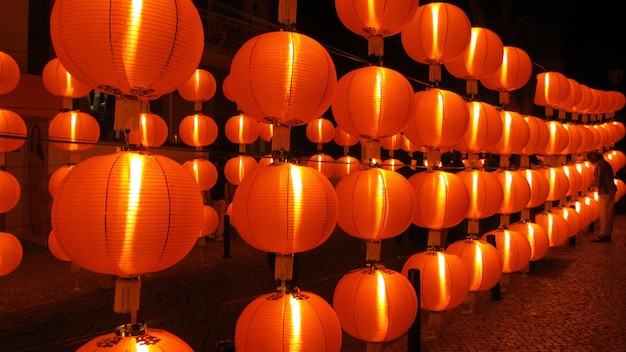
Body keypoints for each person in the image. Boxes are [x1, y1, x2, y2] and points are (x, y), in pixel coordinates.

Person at [587, 151, 617, 242]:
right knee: (607, 212)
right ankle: (606, 233)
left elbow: (599, 180)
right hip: (609, 190)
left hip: (606, 191)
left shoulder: (601, 165)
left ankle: (604, 235)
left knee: (605, 212)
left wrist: (589, 185)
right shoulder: (604, 163)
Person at [208, 157, 228, 241]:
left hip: (213, 198)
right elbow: (225, 188)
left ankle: (212, 232)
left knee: (214, 217)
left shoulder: (213, 174)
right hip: (222, 198)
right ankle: (219, 235)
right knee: (221, 218)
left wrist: (208, 199)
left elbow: (209, 187)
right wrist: (227, 198)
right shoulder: (224, 175)